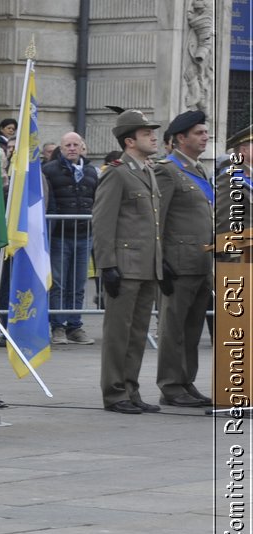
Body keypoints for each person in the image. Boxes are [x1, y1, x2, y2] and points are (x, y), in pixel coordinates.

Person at [92, 110, 173, 414]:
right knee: (118, 333)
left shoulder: (148, 171)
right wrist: (107, 265)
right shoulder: (116, 172)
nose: (153, 137)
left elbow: (152, 224)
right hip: (124, 266)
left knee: (138, 333)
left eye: (152, 133)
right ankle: (114, 393)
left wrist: (160, 260)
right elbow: (102, 222)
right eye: (146, 134)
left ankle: (130, 389)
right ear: (129, 141)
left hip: (146, 265)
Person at [155, 109, 214, 407]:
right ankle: (170, 384)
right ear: (181, 138)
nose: (206, 137)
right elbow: (157, 220)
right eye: (199, 133)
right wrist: (160, 260)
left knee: (192, 329)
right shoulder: (166, 170)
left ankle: (186, 381)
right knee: (172, 329)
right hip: (178, 263)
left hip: (201, 262)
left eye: (205, 132)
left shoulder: (199, 169)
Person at [42, 132, 102, 345]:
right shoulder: (49, 170)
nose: (72, 148)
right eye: (67, 145)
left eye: (76, 144)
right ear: (61, 147)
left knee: (78, 283)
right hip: (59, 236)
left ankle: (75, 326)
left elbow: (96, 200)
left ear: (82, 147)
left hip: (84, 235)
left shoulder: (91, 171)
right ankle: (58, 326)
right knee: (58, 283)